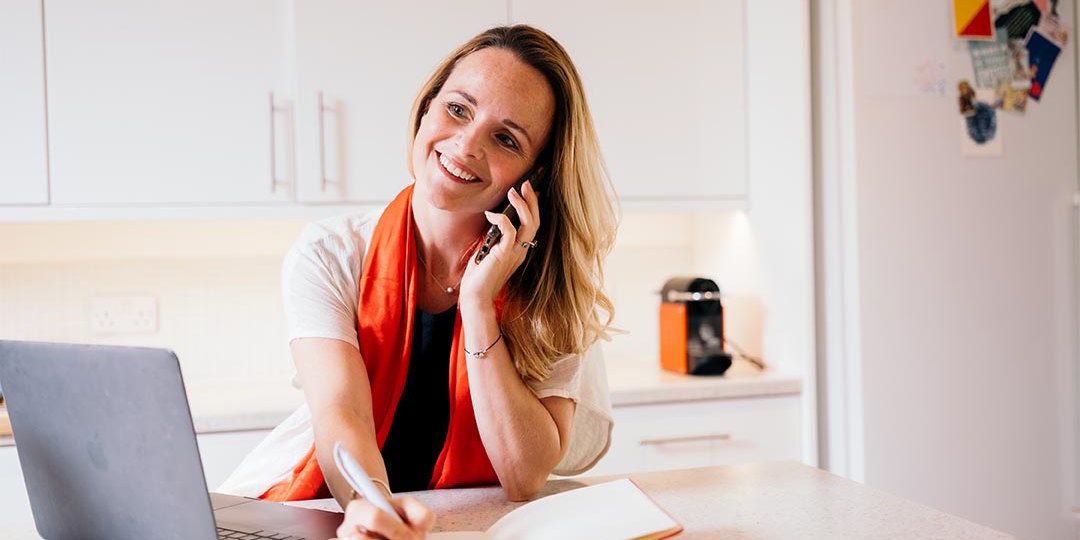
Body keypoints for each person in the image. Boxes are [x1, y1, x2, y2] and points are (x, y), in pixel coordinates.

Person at [218, 24, 618, 539]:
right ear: (427, 106)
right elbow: (342, 413)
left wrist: (477, 304)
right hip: (328, 511)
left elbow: (523, 475)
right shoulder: (332, 252)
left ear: (533, 174)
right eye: (457, 109)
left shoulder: (551, 288)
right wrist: (372, 508)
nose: (466, 144)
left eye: (505, 137)